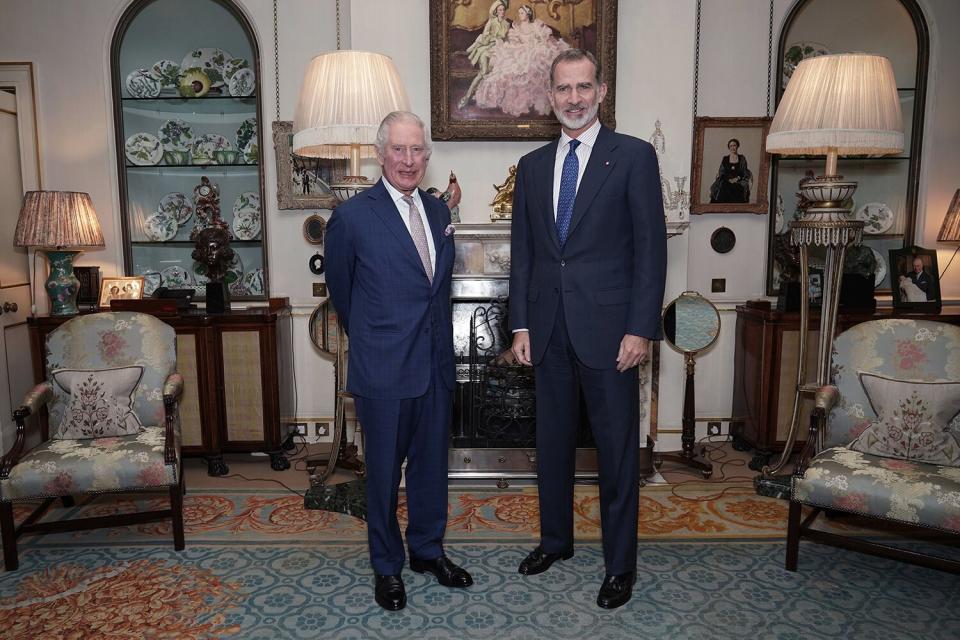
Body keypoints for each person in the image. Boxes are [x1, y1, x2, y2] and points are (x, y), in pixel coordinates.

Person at [508, 49, 667, 610]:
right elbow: (524, 254)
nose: (573, 98)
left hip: (611, 334)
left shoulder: (634, 157)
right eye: (563, 89)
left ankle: (619, 565)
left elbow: (651, 252)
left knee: (617, 456)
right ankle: (556, 542)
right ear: (550, 98)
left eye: (583, 87)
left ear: (601, 91)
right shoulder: (531, 167)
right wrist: (520, 325)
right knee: (550, 447)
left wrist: (640, 328)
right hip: (547, 331)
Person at [325, 111, 472, 612]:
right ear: (380, 154)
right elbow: (343, 295)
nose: (410, 160)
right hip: (384, 372)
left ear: (427, 157)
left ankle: (427, 551)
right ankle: (387, 566)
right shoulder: (352, 216)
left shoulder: (436, 214)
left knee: (432, 470)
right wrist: (374, 340)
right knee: (384, 476)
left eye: (418, 151)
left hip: (436, 369)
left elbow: (438, 290)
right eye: (400, 150)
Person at [474, 4, 570, 117]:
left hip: (534, 50)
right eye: (519, 13)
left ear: (528, 14)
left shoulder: (535, 25)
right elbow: (514, 42)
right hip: (520, 51)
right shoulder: (517, 28)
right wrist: (519, 45)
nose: (520, 15)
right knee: (508, 67)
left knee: (535, 62)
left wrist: (535, 43)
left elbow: (542, 38)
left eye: (522, 13)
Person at [460, 0, 511, 109]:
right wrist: (495, 39)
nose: (502, 12)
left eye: (503, 10)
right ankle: (466, 97)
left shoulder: (507, 24)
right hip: (486, 49)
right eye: (499, 10)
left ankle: (484, 96)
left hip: (499, 50)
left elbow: (506, 39)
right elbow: (484, 36)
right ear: (496, 12)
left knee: (496, 72)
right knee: (483, 72)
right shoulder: (491, 22)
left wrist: (505, 43)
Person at [708, 138, 752, 203]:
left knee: (737, 188)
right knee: (723, 187)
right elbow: (721, 172)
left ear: (737, 146)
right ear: (729, 147)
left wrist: (737, 178)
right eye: (731, 146)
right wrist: (729, 179)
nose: (733, 147)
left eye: (734, 145)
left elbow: (744, 171)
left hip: (739, 180)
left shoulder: (742, 158)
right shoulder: (725, 159)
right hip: (726, 180)